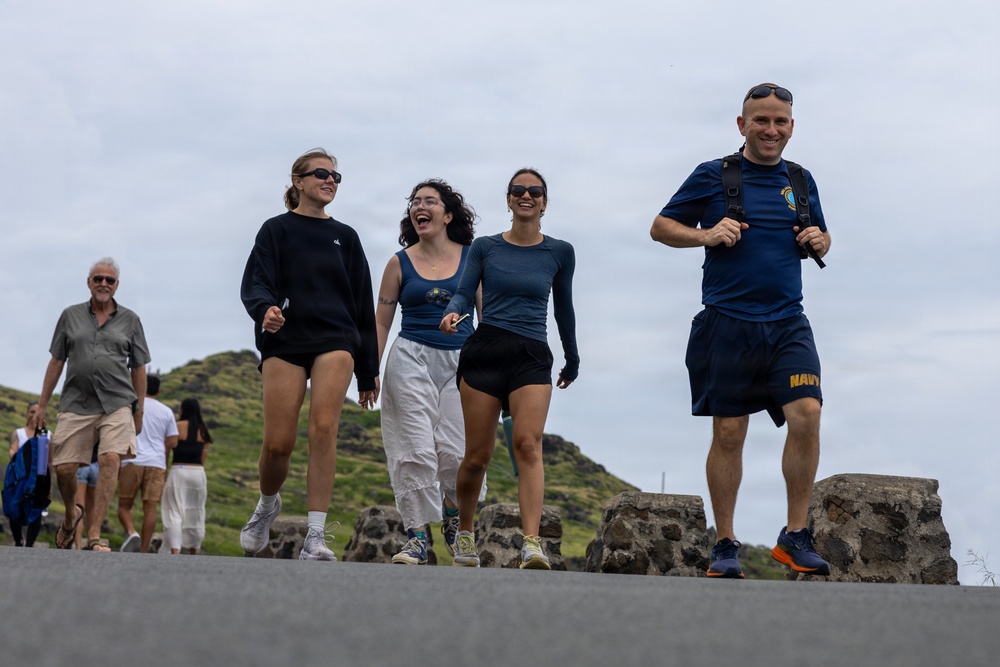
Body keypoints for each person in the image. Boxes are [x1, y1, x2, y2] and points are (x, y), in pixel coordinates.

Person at [650, 83, 832, 579]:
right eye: (761, 121)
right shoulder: (713, 175)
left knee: (808, 413)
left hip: (787, 321)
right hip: (727, 323)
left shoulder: (800, 179)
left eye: (780, 122)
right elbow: (661, 226)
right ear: (742, 125)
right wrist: (706, 234)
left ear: (791, 126)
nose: (771, 130)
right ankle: (725, 544)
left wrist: (821, 238)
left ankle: (795, 535)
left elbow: (820, 235)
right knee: (729, 431)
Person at [240, 148, 379, 561]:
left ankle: (315, 536)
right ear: (298, 181)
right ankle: (267, 504)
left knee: (323, 428)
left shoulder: (347, 237)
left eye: (336, 176)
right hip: (286, 340)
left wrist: (368, 373)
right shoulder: (275, 230)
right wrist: (265, 309)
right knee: (278, 445)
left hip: (336, 339)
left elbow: (362, 306)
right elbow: (257, 281)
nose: (330, 180)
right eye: (321, 174)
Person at [439, 167, 579, 570]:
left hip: (532, 355)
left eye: (534, 191)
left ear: (544, 202)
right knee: (477, 456)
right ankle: (465, 532)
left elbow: (564, 308)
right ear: (508, 199)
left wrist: (572, 355)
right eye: (518, 190)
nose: (526, 196)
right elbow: (464, 293)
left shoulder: (560, 251)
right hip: (486, 350)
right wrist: (452, 313)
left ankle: (532, 544)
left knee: (528, 446)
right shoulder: (485, 247)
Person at [375, 178, 484, 565]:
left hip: (463, 362)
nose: (420, 207)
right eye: (415, 202)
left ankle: (454, 519)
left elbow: (486, 317)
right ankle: (417, 536)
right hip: (410, 358)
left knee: (457, 452)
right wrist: (370, 367)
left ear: (448, 213)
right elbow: (382, 322)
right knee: (414, 450)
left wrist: (493, 370)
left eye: (430, 201)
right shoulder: (398, 261)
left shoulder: (474, 257)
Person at [31, 257, 149, 552]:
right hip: (76, 401)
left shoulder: (131, 320)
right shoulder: (70, 316)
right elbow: (57, 360)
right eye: (98, 279)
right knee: (65, 468)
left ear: (117, 285)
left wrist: (139, 409)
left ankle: (94, 535)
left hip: (117, 402)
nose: (103, 284)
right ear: (88, 282)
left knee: (111, 459)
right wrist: (42, 404)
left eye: (109, 280)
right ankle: (72, 514)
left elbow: (139, 367)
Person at [117, 373, 178, 553]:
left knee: (124, 506)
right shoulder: (166, 411)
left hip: (132, 461)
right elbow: (173, 441)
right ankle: (143, 550)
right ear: (158, 391)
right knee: (150, 508)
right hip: (157, 464)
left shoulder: (130, 407)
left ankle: (131, 532)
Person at [162, 398, 212, 555]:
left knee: (174, 511)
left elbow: (167, 451)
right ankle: (193, 549)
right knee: (196, 511)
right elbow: (203, 459)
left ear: (183, 410)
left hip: (179, 470)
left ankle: (175, 549)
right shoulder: (203, 431)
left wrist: (164, 471)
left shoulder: (177, 427)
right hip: (198, 473)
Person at [7, 401, 47, 547]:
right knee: (14, 507)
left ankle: (29, 545)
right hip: (20, 476)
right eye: (31, 411)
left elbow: (49, 459)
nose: (34, 414)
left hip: (38, 478)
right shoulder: (18, 433)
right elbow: (13, 450)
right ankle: (19, 540)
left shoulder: (47, 435)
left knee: (35, 510)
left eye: (37, 411)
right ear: (26, 414)